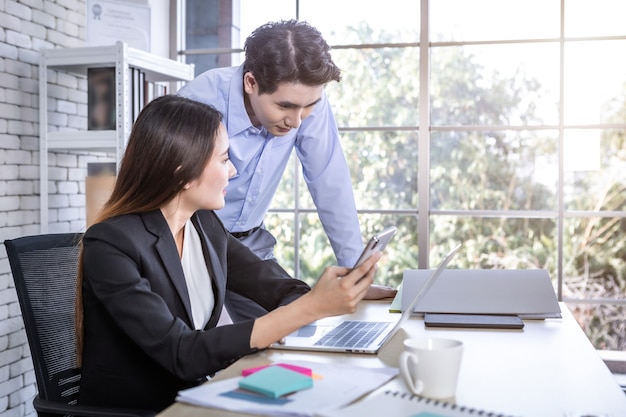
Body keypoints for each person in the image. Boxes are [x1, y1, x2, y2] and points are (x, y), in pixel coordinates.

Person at [75, 95, 381, 413]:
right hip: (146, 410)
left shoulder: (204, 224)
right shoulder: (111, 244)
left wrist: (339, 290)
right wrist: (309, 308)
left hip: (198, 396)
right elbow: (181, 352)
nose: (233, 171)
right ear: (184, 172)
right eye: (223, 160)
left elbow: (278, 288)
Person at [177, 20, 395, 318]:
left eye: (309, 107)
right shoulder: (199, 101)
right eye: (285, 107)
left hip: (252, 243)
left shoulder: (305, 102)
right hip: (192, 241)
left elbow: (329, 181)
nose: (297, 121)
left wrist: (355, 272)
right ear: (250, 82)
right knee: (209, 345)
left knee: (292, 327)